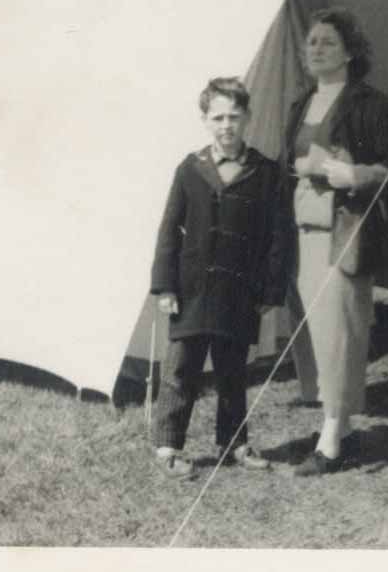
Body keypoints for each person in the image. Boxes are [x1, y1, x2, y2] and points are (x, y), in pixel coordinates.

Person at [284, 8, 388, 476]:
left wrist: (355, 174)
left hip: (344, 233)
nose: (314, 49)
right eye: (311, 42)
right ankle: (337, 422)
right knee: (317, 334)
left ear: (350, 52)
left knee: (341, 333)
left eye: (326, 42)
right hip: (302, 231)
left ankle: (329, 443)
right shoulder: (300, 104)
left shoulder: (374, 106)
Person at [149, 77, 288, 479]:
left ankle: (234, 443)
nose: (227, 125)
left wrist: (270, 288)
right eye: (218, 117)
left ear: (247, 118)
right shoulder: (190, 169)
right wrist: (165, 286)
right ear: (205, 120)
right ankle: (168, 446)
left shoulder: (264, 172)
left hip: (238, 291)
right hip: (191, 290)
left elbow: (279, 235)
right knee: (180, 370)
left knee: (232, 373)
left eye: (234, 116)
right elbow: (168, 230)